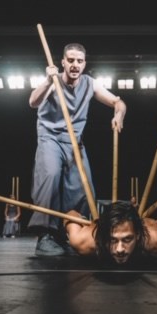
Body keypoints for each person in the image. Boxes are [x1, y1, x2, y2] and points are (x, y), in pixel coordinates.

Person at [27, 43, 127, 257]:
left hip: (74, 142)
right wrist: (48, 80)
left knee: (83, 185)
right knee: (50, 175)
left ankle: (72, 233)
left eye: (79, 61)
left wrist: (119, 114)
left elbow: (118, 102)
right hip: (50, 137)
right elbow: (33, 102)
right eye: (70, 60)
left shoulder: (90, 83)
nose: (75, 65)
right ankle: (45, 236)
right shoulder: (54, 81)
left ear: (84, 63)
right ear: (63, 62)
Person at [64, 201, 157, 267]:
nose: (119, 250)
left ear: (138, 235)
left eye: (127, 239)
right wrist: (85, 222)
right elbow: (71, 215)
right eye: (112, 240)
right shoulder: (83, 242)